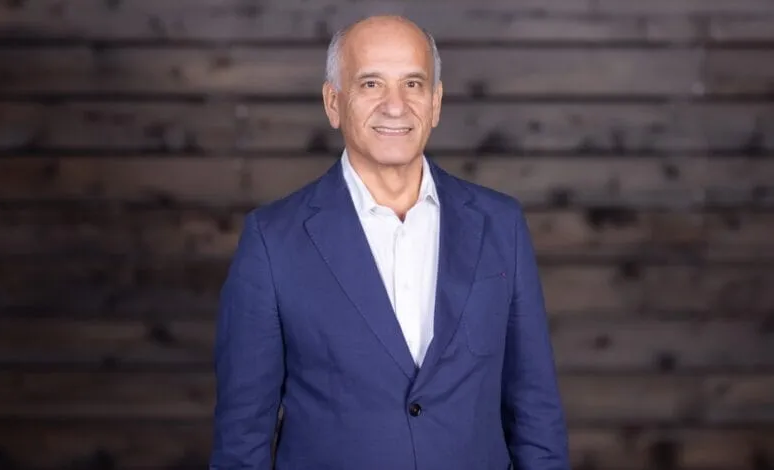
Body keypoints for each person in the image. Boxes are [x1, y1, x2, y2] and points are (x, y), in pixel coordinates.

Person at [210, 15, 570, 470]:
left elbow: (536, 412)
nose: (395, 105)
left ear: (436, 103)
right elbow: (242, 438)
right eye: (371, 84)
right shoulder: (271, 242)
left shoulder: (501, 225)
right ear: (333, 102)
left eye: (414, 84)